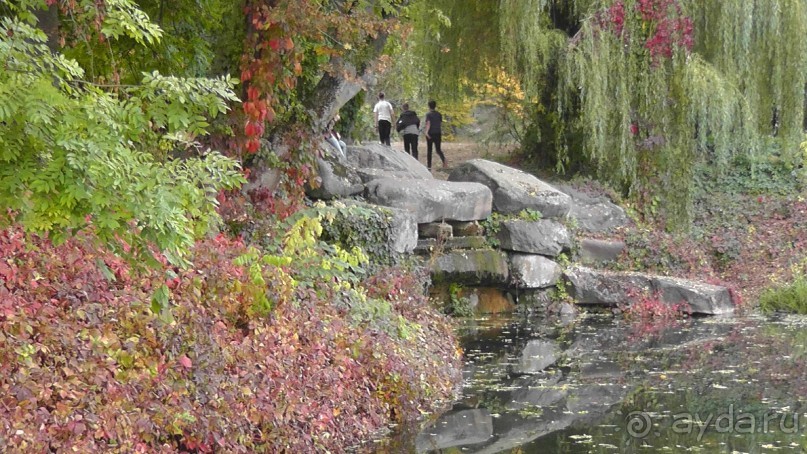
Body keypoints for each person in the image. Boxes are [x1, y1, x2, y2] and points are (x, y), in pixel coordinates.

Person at [424, 99, 447, 170]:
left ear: (429, 106)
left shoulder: (428, 114)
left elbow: (428, 123)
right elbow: (440, 123)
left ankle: (429, 166)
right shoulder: (439, 114)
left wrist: (426, 132)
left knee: (429, 150)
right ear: (435, 106)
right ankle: (444, 161)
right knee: (438, 149)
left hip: (430, 133)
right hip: (438, 133)